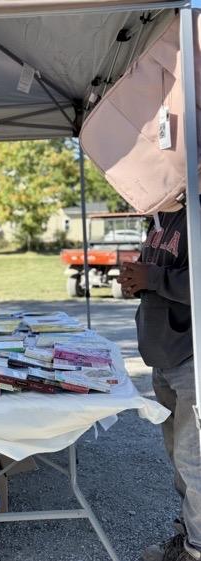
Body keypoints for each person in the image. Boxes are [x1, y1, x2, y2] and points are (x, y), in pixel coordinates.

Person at [118, 203, 201, 561]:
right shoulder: (160, 216)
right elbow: (154, 272)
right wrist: (135, 281)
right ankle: (189, 537)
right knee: (180, 458)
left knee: (193, 458)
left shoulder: (196, 211)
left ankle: (196, 550)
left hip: (191, 356)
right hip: (163, 355)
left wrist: (152, 278)